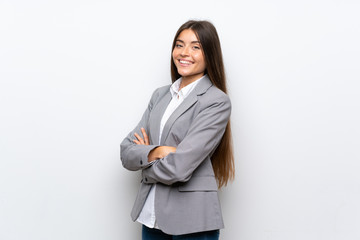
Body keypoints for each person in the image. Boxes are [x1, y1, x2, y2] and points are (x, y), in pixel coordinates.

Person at [120, 20, 234, 240]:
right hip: (151, 216)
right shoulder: (160, 95)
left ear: (209, 53)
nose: (184, 53)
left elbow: (179, 168)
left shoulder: (216, 101)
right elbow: (126, 151)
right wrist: (160, 151)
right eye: (179, 45)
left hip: (192, 221)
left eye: (196, 47)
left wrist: (144, 161)